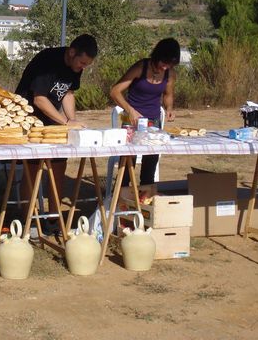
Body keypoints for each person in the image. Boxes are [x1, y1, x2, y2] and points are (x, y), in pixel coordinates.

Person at [15, 34, 98, 230]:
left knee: (60, 163)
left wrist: (72, 120)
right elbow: (39, 100)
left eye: (87, 65)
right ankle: (28, 220)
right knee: (33, 167)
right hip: (27, 116)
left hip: (50, 118)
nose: (83, 67)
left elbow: (68, 93)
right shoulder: (48, 62)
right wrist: (65, 123)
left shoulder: (75, 66)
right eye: (82, 62)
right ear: (71, 52)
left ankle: (53, 217)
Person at [109, 37, 180, 186]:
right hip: (131, 120)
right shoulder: (141, 67)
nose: (165, 68)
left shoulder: (170, 74)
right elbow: (115, 91)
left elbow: (168, 94)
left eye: (170, 65)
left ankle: (145, 199)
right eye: (164, 63)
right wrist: (130, 110)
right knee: (127, 163)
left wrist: (169, 108)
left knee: (150, 164)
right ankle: (121, 199)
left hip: (153, 122)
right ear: (157, 56)